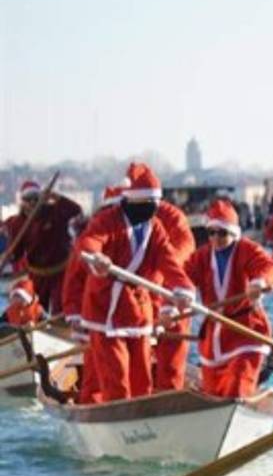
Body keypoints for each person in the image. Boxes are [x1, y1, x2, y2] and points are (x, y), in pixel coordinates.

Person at [76, 164, 193, 403]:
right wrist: (97, 257)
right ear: (134, 202)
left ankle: (144, 422)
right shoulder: (108, 220)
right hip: (105, 310)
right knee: (116, 377)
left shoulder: (155, 227)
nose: (154, 209)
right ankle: (118, 417)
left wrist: (181, 289)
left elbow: (168, 260)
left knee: (141, 380)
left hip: (138, 311)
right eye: (149, 202)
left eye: (156, 203)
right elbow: (90, 241)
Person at [185, 200, 273, 398]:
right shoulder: (201, 256)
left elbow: (270, 267)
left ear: (234, 233)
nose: (216, 238)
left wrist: (259, 283)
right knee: (213, 392)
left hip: (246, 331)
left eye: (222, 233)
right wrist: (176, 299)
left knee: (238, 381)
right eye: (211, 232)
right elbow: (182, 278)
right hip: (214, 337)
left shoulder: (247, 249)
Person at [60, 183, 125, 405]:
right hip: (94, 317)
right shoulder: (87, 242)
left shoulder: (138, 240)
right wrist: (75, 315)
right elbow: (72, 284)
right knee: (95, 372)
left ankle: (134, 407)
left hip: (128, 320)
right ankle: (93, 405)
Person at [0, 179, 84, 313]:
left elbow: (76, 210)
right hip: (36, 275)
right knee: (37, 308)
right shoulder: (17, 223)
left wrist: (56, 197)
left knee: (60, 308)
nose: (32, 202)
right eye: (28, 199)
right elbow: (18, 253)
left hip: (60, 272)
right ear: (23, 201)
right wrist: (8, 256)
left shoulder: (54, 212)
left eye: (35, 198)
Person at [152, 190, 197, 392]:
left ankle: (168, 394)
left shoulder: (172, 217)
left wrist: (167, 305)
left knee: (172, 357)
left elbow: (181, 254)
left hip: (170, 296)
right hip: (130, 305)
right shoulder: (110, 219)